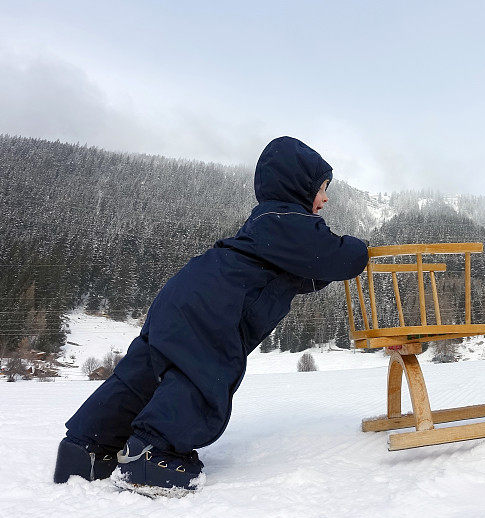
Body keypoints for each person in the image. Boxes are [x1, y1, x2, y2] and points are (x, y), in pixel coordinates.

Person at [53, 136, 369, 496]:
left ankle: (85, 448)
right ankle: (151, 455)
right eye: (322, 189)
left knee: (143, 372)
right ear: (298, 187)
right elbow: (342, 258)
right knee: (202, 374)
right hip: (213, 310)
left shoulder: (267, 224)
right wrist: (362, 248)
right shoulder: (290, 221)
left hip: (185, 294)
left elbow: (306, 271)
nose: (325, 199)